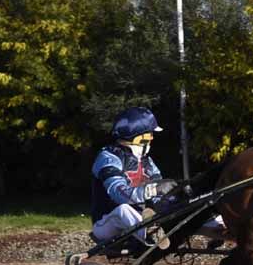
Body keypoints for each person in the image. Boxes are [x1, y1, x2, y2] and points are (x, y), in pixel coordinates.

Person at [91, 107, 226, 250]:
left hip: (144, 217)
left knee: (186, 206)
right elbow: (119, 194)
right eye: (149, 134)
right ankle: (152, 233)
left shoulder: (147, 162)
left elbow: (159, 197)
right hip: (107, 224)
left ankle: (221, 228)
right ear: (136, 136)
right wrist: (154, 189)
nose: (152, 138)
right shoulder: (108, 158)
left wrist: (180, 200)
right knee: (123, 209)